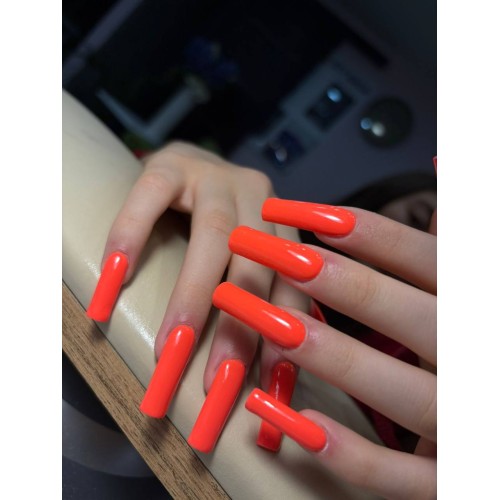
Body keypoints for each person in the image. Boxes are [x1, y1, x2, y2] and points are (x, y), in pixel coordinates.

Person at [86, 141, 436, 499]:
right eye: (418, 219)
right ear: (385, 195)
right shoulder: (282, 242)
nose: (414, 259)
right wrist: (190, 182)